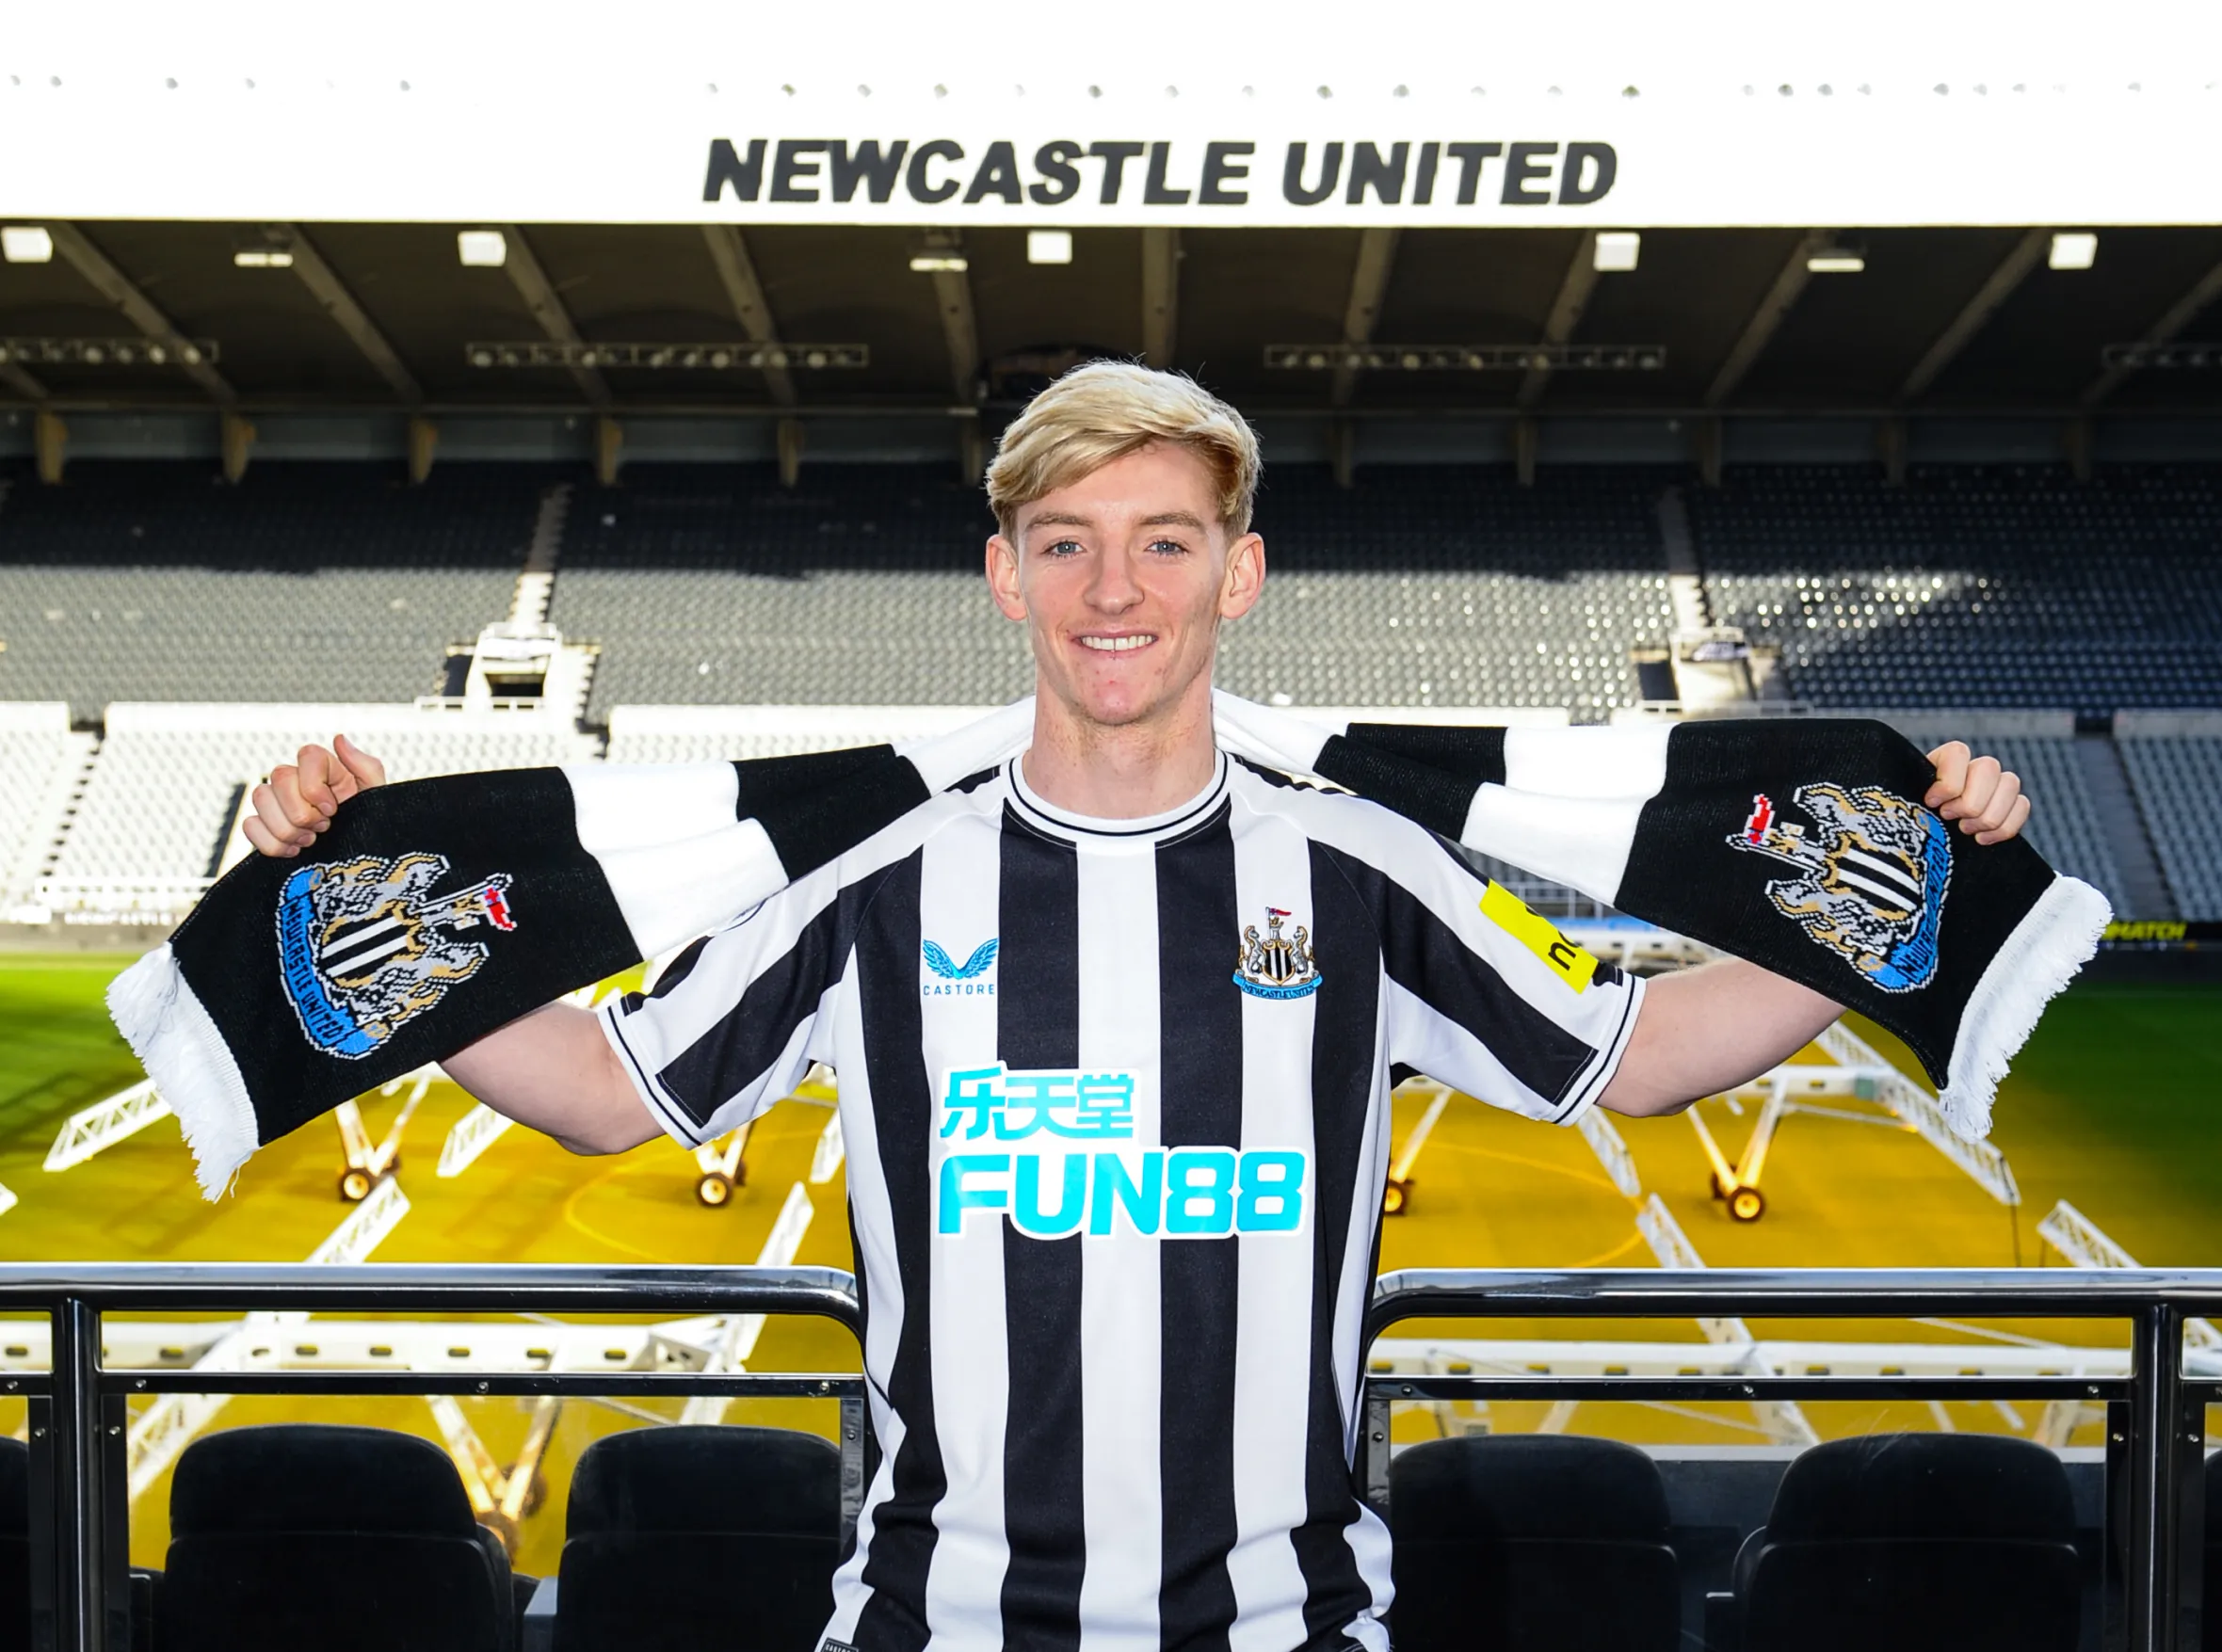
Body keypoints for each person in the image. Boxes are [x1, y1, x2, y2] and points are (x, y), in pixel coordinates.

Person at [245, 364, 2032, 1652]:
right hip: (931, 1625)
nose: (1118, 590)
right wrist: (361, 924)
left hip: (1292, 1620)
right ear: (1006, 572)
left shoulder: (1355, 867)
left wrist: (1906, 901)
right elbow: (603, 1088)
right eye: (1070, 541)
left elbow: (1642, 1057)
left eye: (1167, 542)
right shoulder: (868, 872)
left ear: (1235, 575)